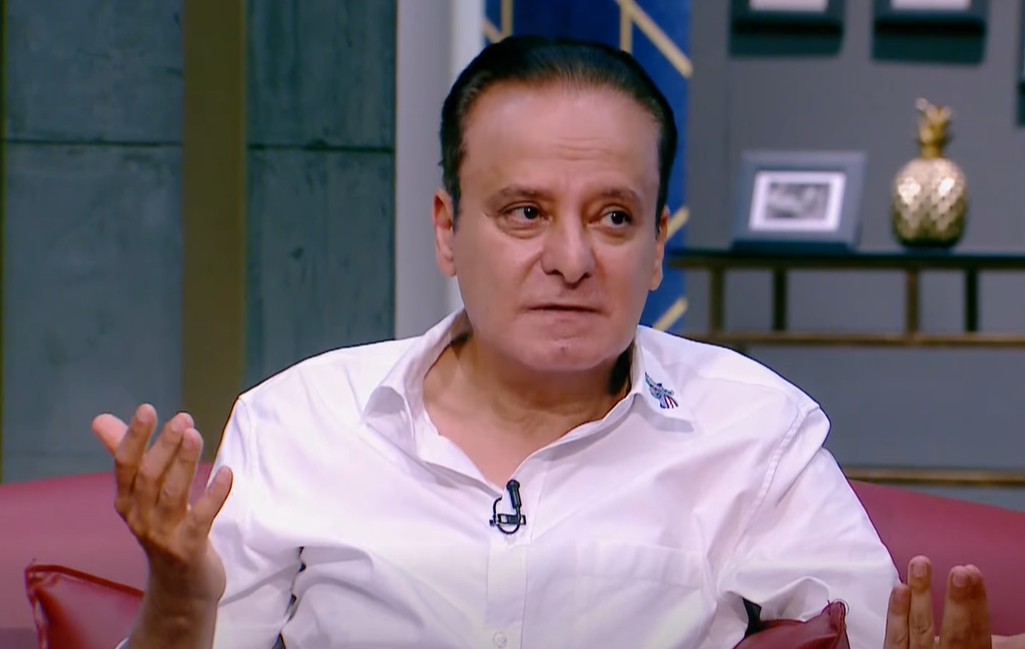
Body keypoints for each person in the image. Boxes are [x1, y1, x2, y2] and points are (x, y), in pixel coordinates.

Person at [94, 36, 1022, 649]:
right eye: (525, 212)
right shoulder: (300, 420)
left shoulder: (752, 428)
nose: (572, 260)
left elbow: (887, 631)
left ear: (658, 245)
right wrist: (179, 594)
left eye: (614, 216)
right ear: (448, 229)